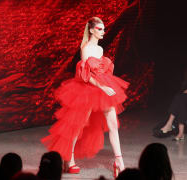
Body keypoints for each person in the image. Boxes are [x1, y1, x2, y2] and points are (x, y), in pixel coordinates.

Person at [41, 17, 129, 177]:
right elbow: (85, 74)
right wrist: (103, 86)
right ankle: (70, 159)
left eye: (103, 29)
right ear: (91, 30)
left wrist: (106, 84)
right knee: (78, 124)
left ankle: (119, 161)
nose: (103, 32)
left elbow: (102, 70)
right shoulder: (86, 48)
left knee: (113, 124)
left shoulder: (100, 50)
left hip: (104, 88)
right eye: (99, 29)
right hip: (88, 89)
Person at [154, 51, 187, 140]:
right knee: (180, 98)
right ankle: (180, 132)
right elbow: (184, 85)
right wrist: (185, 91)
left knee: (180, 98)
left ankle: (171, 125)